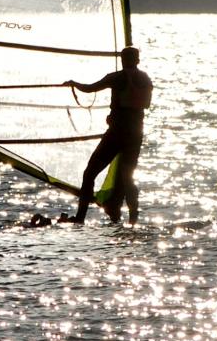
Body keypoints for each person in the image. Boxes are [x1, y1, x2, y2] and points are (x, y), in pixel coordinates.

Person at [64, 46, 151, 224]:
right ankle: (133, 219)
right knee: (128, 177)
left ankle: (80, 218)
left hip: (117, 133)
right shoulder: (145, 79)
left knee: (89, 173)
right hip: (135, 134)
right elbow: (145, 105)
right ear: (138, 60)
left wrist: (74, 84)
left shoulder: (117, 77)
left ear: (122, 59)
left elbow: (89, 88)